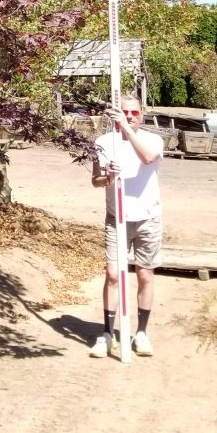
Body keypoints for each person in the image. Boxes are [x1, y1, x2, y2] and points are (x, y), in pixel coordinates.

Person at [88, 96, 164, 358]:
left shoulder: (152, 140)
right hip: (116, 217)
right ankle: (108, 333)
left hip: (147, 217)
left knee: (145, 274)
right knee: (112, 274)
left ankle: (141, 333)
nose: (129, 116)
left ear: (141, 114)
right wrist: (107, 175)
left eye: (134, 112)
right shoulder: (102, 143)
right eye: (125, 112)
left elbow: (148, 157)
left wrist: (127, 129)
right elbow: (96, 181)